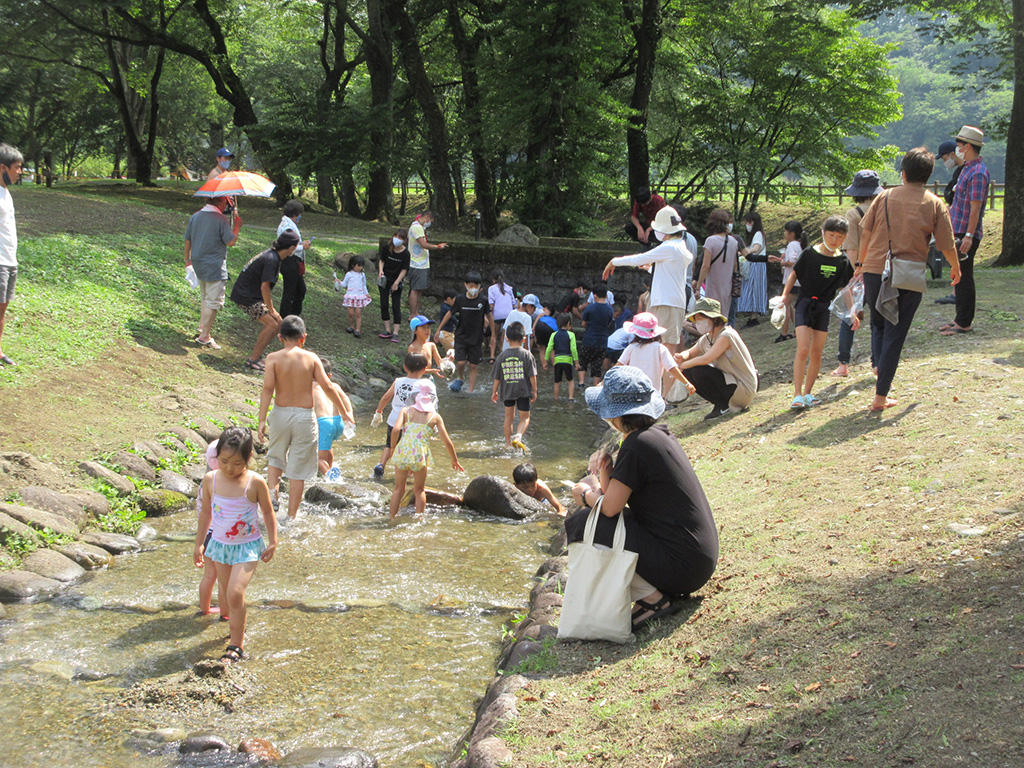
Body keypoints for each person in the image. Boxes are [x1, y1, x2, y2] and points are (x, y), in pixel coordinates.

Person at [567, 366, 719, 632]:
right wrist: (606, 469)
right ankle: (653, 592)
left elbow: (610, 509)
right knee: (601, 519)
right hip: (695, 561)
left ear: (615, 415)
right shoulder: (655, 436)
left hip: (683, 566)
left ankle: (652, 599)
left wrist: (583, 494)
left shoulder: (637, 446)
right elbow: (616, 501)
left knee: (581, 524)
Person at [856, 147, 960, 412]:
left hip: (875, 269)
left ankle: (881, 373)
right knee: (896, 332)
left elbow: (865, 231)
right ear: (927, 174)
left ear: (902, 172)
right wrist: (955, 267)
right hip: (908, 273)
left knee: (879, 325)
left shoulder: (885, 197)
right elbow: (946, 243)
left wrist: (861, 262)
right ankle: (880, 396)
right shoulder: (935, 203)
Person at [194, 426, 278, 663]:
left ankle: (236, 645)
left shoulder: (255, 482)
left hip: (247, 547)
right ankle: (234, 623)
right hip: (220, 546)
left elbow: (268, 513)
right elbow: (206, 515)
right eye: (224, 461)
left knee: (235, 591)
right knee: (224, 590)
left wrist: (273, 541)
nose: (230, 468)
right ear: (216, 455)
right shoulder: (211, 480)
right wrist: (199, 544)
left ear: (249, 458)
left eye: (237, 463)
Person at [258, 316, 353, 518]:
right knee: (298, 468)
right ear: (304, 338)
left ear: (280, 338)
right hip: (303, 416)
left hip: (281, 413)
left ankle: (273, 494)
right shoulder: (311, 358)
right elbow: (328, 387)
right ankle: (291, 516)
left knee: (276, 457)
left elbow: (267, 389)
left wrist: (261, 420)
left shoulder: (273, 358)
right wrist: (344, 412)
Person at [780, 217, 854, 410]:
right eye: (831, 235)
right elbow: (794, 274)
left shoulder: (842, 260)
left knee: (817, 352)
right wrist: (784, 296)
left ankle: (808, 393)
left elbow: (845, 289)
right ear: (823, 232)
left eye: (840, 236)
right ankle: (797, 394)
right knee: (803, 349)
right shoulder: (810, 253)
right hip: (804, 303)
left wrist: (853, 312)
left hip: (823, 308)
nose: (835, 240)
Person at [603, 206, 692, 354]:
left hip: (666, 303)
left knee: (665, 347)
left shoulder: (669, 247)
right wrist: (650, 269)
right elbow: (672, 274)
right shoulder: (679, 246)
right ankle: (661, 377)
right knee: (661, 346)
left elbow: (640, 257)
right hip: (670, 302)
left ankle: (665, 377)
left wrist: (614, 261)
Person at [833, 170, 883, 378]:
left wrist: (857, 272)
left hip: (860, 270)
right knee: (879, 321)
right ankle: (877, 364)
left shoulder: (853, 215)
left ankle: (844, 365)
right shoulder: (883, 209)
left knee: (849, 317)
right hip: (882, 269)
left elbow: (851, 248)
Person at [941, 125, 990, 337]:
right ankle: (959, 318)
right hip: (958, 229)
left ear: (967, 147)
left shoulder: (978, 172)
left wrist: (969, 235)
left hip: (965, 232)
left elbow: (975, 207)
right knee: (957, 274)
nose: (957, 148)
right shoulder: (967, 169)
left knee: (964, 275)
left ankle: (964, 322)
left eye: (959, 145)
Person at [388, 382, 464, 518]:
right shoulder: (435, 417)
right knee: (419, 490)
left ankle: (391, 517)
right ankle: (419, 520)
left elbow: (395, 430)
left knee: (398, 489)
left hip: (403, 451)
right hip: (420, 454)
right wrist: (454, 460)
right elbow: (447, 441)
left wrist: (393, 447)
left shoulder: (405, 411)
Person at [676, 298, 758, 420]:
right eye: (696, 319)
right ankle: (721, 405)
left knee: (698, 370)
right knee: (689, 372)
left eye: (700, 318)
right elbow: (691, 352)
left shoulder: (726, 335)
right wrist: (681, 356)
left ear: (713, 319)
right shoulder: (707, 338)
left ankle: (723, 405)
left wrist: (680, 366)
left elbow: (705, 359)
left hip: (742, 387)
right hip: (730, 382)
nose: (697, 323)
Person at [229, 231, 299, 370]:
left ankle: (258, 356)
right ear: (291, 248)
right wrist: (271, 310)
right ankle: (253, 359)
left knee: (278, 323)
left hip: (250, 294)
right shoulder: (272, 260)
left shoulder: (273, 256)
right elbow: (265, 287)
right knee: (273, 324)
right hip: (246, 296)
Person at [184, 194, 243, 350]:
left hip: (198, 262)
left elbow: (187, 239)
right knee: (214, 302)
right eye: (226, 202)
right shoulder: (220, 219)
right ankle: (205, 336)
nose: (227, 206)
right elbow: (231, 241)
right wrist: (237, 226)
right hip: (214, 265)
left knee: (205, 297)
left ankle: (202, 328)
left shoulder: (196, 216)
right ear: (222, 201)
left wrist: (186, 259)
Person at [372, 353, 437, 477]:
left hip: (394, 420)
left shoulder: (398, 381)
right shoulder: (424, 386)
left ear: (405, 367)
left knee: (388, 445)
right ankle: (409, 473)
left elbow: (386, 397)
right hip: (413, 424)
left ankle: (381, 464)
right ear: (424, 370)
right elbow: (430, 405)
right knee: (411, 448)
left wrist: (378, 412)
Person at [435, 271, 489, 393]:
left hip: (476, 337)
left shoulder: (483, 300)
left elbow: (489, 316)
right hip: (461, 335)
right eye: (471, 285)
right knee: (460, 362)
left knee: (474, 365)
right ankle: (460, 377)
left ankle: (470, 391)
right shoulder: (460, 299)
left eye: (476, 286)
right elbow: (450, 313)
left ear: (480, 287)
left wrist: (493, 336)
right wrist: (439, 329)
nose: (473, 288)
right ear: (465, 285)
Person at [615, 312, 693, 396]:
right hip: (653, 393)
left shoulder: (631, 347)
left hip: (633, 392)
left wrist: (603, 382)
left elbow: (618, 366)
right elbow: (672, 368)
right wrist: (687, 383)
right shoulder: (659, 348)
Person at [491, 322, 538, 449]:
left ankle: (507, 444)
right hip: (523, 391)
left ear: (506, 338)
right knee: (525, 418)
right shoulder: (527, 355)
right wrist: (535, 390)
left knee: (508, 417)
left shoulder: (502, 356)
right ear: (524, 339)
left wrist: (494, 391)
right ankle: (518, 436)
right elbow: (532, 376)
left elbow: (497, 377)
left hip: (507, 391)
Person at [0, 143, 24, 366]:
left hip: (9, 260)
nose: (20, 172)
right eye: (17, 167)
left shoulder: (6, 193)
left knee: (3, 307)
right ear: (3, 168)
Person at [695, 209, 739, 325]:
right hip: (727, 287)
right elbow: (735, 265)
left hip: (713, 286)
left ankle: (712, 342)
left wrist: (698, 287)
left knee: (711, 317)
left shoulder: (710, 241)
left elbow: (705, 266)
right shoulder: (734, 242)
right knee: (723, 318)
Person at [313, 357, 356, 477]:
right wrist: (349, 413)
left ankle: (329, 474)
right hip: (338, 422)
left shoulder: (313, 386)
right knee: (328, 445)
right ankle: (331, 466)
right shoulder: (335, 386)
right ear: (330, 375)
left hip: (324, 423)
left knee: (316, 457)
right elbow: (345, 399)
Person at [933, 139, 962, 306]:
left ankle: (956, 291)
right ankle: (955, 290)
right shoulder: (959, 171)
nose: (946, 163)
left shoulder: (963, 171)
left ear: (953, 154)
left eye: (944, 159)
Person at [770, 221, 807, 342]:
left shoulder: (792, 245)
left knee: (785, 305)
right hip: (797, 280)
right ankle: (799, 328)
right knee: (789, 306)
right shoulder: (799, 245)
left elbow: (792, 261)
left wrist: (782, 263)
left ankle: (785, 332)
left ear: (791, 233)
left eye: (786, 231)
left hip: (792, 280)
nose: (784, 233)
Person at [196, 439, 221, 618]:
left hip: (207, 533)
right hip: (219, 533)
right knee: (223, 577)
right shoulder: (220, 484)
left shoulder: (205, 482)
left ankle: (205, 608)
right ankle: (226, 611)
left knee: (209, 574)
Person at [407, 210, 448, 319]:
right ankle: (412, 314)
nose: (430, 223)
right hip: (417, 263)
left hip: (422, 263)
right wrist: (438, 246)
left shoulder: (419, 227)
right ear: (427, 218)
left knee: (419, 289)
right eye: (430, 221)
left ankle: (416, 312)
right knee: (415, 289)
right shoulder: (417, 227)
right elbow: (423, 244)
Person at [277, 200, 312, 318]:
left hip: (295, 261)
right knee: (289, 292)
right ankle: (285, 318)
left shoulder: (290, 224)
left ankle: (293, 314)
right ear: (294, 214)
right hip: (289, 261)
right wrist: (303, 247)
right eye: (299, 214)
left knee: (300, 290)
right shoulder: (287, 227)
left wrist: (302, 243)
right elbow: (288, 246)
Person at [736, 211, 768, 326]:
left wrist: (743, 253)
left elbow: (756, 248)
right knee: (750, 289)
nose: (747, 225)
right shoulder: (755, 235)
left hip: (757, 264)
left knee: (754, 289)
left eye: (749, 222)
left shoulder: (758, 234)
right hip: (753, 264)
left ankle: (754, 317)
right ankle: (751, 316)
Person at [578, 285, 614, 386]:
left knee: (583, 361)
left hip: (589, 339)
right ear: (606, 296)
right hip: (602, 341)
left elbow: (583, 323)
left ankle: (581, 382)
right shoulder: (610, 310)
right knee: (597, 364)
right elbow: (609, 324)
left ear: (595, 296)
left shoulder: (590, 308)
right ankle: (596, 385)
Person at [378, 228, 410, 341]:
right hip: (385, 279)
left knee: (396, 306)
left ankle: (396, 332)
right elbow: (382, 260)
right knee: (384, 304)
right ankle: (387, 329)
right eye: (396, 237)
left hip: (397, 281)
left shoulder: (406, 253)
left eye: (400, 238)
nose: (397, 240)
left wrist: (396, 282)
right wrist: (380, 271)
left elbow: (404, 269)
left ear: (404, 240)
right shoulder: (387, 248)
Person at [544, 313, 579, 401]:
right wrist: (576, 362)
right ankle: (570, 398)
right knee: (570, 380)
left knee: (557, 381)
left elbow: (549, 348)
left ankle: (556, 398)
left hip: (557, 361)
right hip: (568, 360)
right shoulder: (571, 335)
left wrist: (545, 360)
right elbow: (573, 349)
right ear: (568, 323)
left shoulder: (554, 335)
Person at [340, 253, 371, 338]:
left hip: (359, 296)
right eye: (359, 266)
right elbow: (344, 284)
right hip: (350, 295)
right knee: (350, 313)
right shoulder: (349, 274)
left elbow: (364, 285)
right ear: (353, 265)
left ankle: (358, 329)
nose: (361, 268)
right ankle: (351, 326)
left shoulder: (362, 275)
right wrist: (338, 282)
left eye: (362, 266)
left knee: (358, 313)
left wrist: (366, 293)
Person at [488, 269, 515, 361]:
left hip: (497, 315)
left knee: (494, 335)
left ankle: (492, 356)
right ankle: (504, 355)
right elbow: (513, 303)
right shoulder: (509, 288)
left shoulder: (491, 289)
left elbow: (491, 304)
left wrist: (489, 316)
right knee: (505, 336)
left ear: (493, 279)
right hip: (509, 314)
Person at [437, 288, 458, 353]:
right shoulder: (447, 309)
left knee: (449, 351)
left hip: (448, 333)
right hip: (445, 333)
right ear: (449, 299)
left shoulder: (445, 307)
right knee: (454, 349)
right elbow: (454, 319)